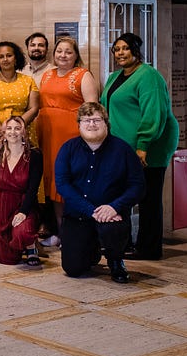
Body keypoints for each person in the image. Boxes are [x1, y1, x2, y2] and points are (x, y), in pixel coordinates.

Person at [102, 32, 178, 261]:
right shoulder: (114, 76)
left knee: (148, 197)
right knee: (123, 195)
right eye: (117, 49)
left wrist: (143, 145)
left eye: (125, 48)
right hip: (123, 147)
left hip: (149, 146)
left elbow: (154, 113)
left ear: (136, 50)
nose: (121, 53)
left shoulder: (148, 76)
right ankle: (124, 242)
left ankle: (149, 248)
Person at [56, 102, 145, 283]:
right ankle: (92, 250)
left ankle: (116, 260)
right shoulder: (68, 149)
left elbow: (138, 186)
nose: (91, 125)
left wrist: (114, 207)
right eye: (86, 120)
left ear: (106, 123)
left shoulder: (123, 150)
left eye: (97, 120)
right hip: (79, 215)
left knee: (113, 228)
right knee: (73, 269)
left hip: (112, 216)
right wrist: (91, 210)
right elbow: (63, 185)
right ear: (79, 124)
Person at [38, 36, 98, 242]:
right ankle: (59, 231)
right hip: (47, 133)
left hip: (70, 136)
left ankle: (75, 233)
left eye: (68, 52)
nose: (62, 55)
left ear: (76, 55)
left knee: (69, 180)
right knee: (53, 182)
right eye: (59, 51)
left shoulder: (83, 75)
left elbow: (92, 110)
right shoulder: (47, 75)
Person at [0, 41, 40, 207]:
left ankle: (26, 211)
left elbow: (34, 107)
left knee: (24, 172)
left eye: (9, 55)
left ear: (16, 57)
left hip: (24, 131)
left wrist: (16, 129)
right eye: (1, 56)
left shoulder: (28, 80)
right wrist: (2, 131)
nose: (5, 59)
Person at [0, 117, 43, 266]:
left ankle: (31, 246)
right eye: (9, 128)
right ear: (3, 131)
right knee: (7, 259)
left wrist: (23, 212)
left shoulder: (34, 155)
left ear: (24, 132)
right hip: (1, 205)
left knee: (23, 232)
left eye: (17, 128)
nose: (13, 132)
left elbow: (33, 189)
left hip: (23, 204)